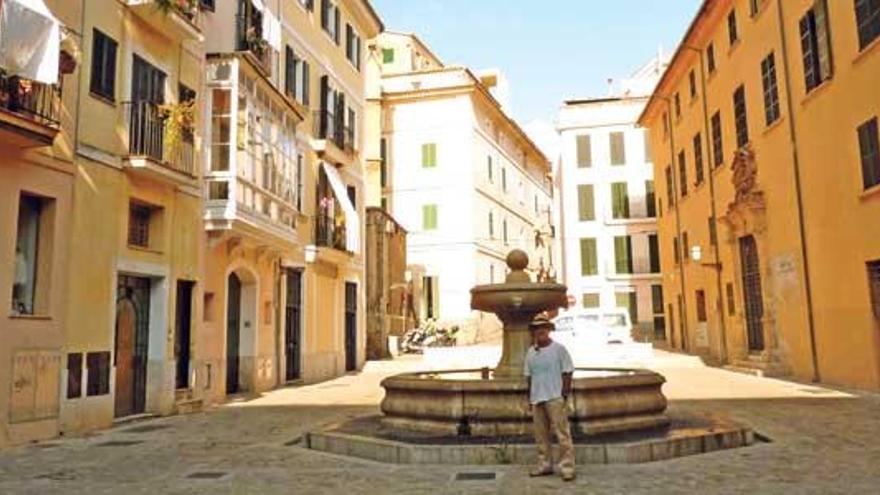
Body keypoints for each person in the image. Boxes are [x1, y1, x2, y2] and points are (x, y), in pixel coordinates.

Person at [524, 315, 576, 481]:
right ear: (533, 332)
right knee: (540, 435)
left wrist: (564, 394)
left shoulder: (559, 349)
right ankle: (544, 464)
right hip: (537, 398)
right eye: (537, 328)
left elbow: (567, 371)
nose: (540, 331)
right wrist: (529, 398)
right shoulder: (531, 352)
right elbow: (529, 376)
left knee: (562, 434)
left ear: (549, 330)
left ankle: (567, 467)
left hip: (555, 396)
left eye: (543, 327)